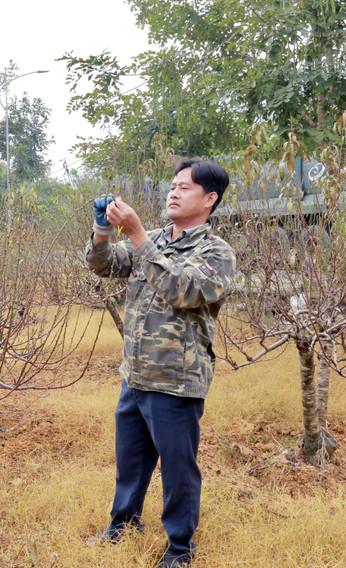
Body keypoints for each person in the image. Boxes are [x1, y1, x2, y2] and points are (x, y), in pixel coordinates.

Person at [84, 158, 236, 568]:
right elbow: (102, 265)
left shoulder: (216, 252)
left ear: (209, 199)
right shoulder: (152, 240)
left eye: (184, 187)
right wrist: (102, 230)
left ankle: (179, 549)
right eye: (171, 186)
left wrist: (135, 234)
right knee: (130, 461)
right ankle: (122, 525)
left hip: (176, 381)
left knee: (177, 469)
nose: (173, 192)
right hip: (135, 376)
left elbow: (184, 290)